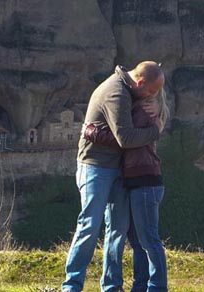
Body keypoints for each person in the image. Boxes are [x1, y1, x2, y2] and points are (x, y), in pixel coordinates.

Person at [62, 62, 165, 292]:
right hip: (95, 166)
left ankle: (111, 286)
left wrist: (154, 106)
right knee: (89, 225)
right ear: (140, 83)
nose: (152, 97)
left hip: (118, 168)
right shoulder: (117, 92)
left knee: (117, 229)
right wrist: (155, 131)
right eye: (151, 92)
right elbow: (126, 139)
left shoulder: (131, 91)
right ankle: (72, 285)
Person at [83, 87, 169, 292]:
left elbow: (126, 140)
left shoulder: (143, 112)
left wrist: (93, 133)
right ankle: (141, 285)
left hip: (143, 180)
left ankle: (154, 286)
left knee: (145, 239)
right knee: (138, 239)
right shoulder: (146, 110)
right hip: (133, 179)